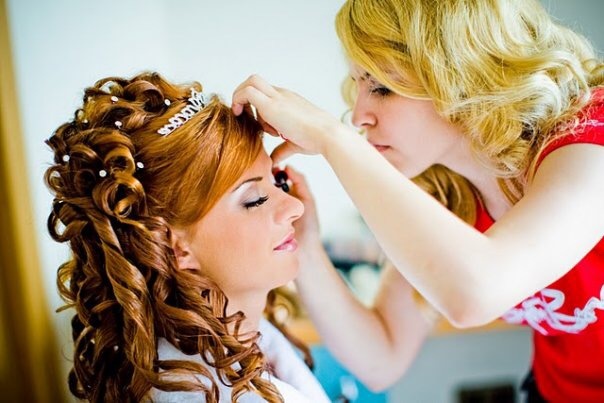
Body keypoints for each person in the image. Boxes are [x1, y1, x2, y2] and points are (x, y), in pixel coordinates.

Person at [231, 0, 604, 401]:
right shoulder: (449, 190)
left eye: (381, 87)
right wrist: (304, 244)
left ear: (461, 73)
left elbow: (477, 292)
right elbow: (382, 357)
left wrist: (331, 138)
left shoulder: (590, 139)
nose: (357, 117)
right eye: (358, 85)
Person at [44, 72, 330, 403]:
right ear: (174, 247)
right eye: (255, 199)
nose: (295, 206)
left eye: (277, 181)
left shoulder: (247, 341)